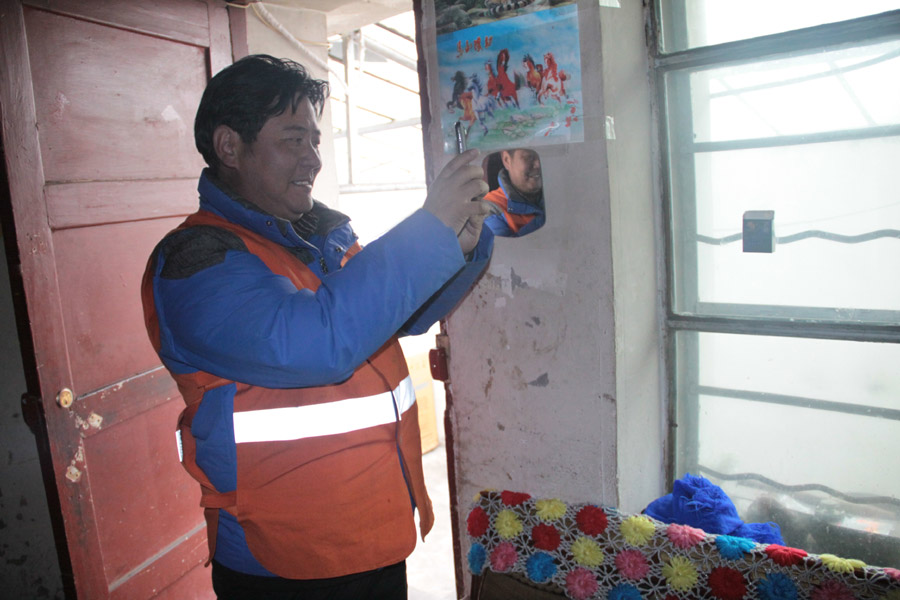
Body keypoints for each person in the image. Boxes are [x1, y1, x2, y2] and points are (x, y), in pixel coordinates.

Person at [141, 54, 496, 599]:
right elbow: (319, 342)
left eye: (315, 140)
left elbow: (395, 315)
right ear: (229, 146)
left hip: (372, 533)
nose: (313, 159)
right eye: (292, 140)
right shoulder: (196, 259)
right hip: (284, 561)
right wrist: (429, 230)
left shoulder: (315, 234)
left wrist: (459, 247)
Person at [483, 148, 546, 237]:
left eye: (543, 156)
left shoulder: (561, 193)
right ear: (507, 160)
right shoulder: (488, 209)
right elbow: (508, 249)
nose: (538, 164)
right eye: (528, 157)